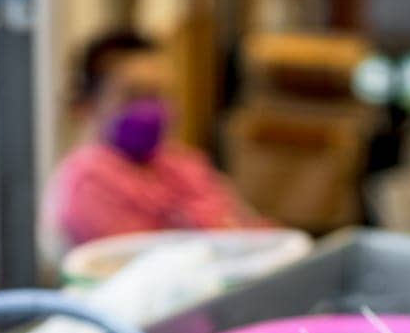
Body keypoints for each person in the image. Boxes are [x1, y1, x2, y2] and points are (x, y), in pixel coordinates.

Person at [41, 31, 268, 259]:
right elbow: (140, 271)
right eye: (133, 96)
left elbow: (246, 227)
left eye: (158, 95)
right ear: (87, 105)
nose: (150, 109)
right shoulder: (86, 184)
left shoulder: (182, 165)